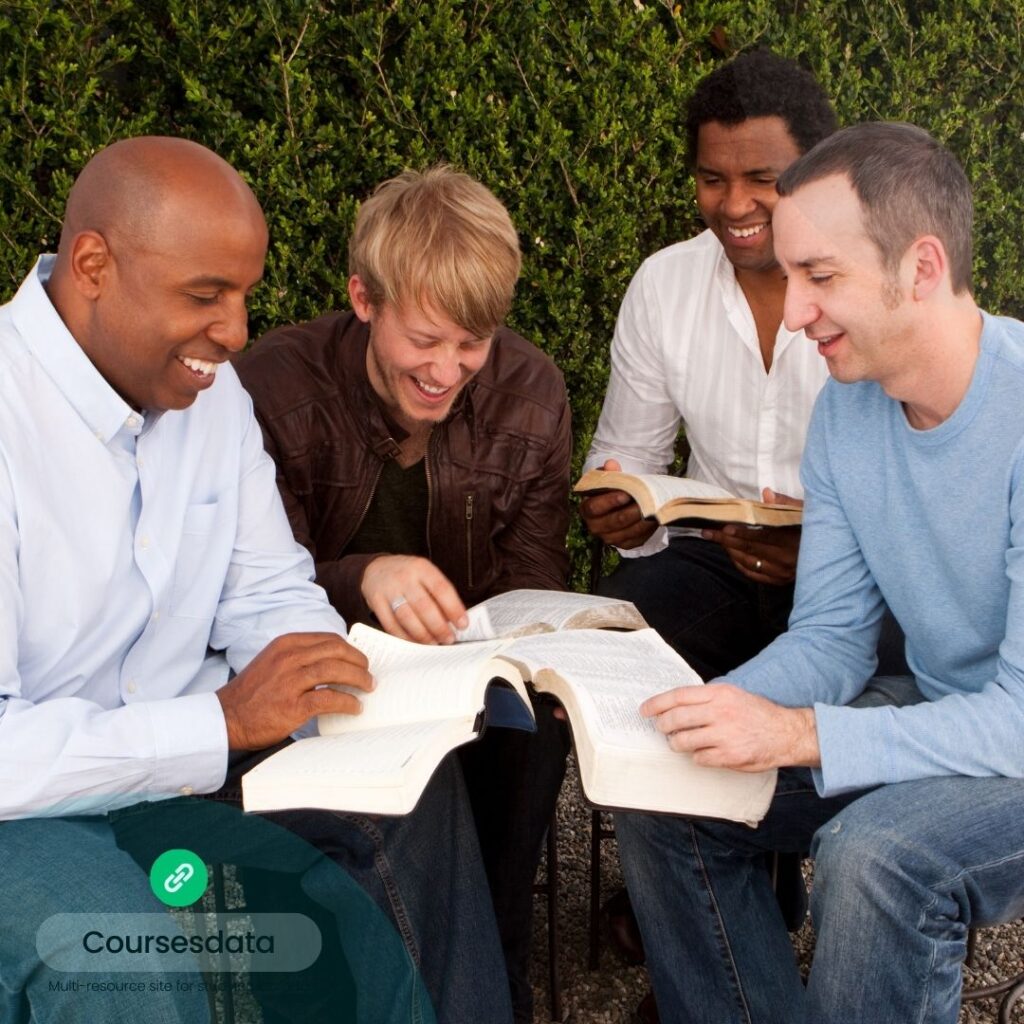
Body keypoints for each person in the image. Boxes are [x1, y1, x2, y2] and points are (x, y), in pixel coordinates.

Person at [0, 137, 510, 1024]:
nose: (235, 333)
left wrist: (350, 687)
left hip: (178, 780)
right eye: (205, 296)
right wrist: (227, 719)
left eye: (243, 296)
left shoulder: (213, 398)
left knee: (416, 789)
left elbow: (268, 592)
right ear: (92, 265)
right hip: (29, 813)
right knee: (122, 961)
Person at [616, 121, 1024, 1024]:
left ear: (920, 268)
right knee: (668, 791)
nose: (794, 312)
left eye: (820, 276)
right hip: (943, 710)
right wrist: (715, 711)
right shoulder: (849, 411)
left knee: (874, 855)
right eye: (792, 276)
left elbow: (1020, 721)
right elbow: (835, 637)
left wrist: (800, 735)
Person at [237, 165, 572, 1022]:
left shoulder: (530, 394)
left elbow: (533, 584)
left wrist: (512, 657)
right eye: (426, 338)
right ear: (363, 297)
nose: (449, 369)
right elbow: (237, 586)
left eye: (474, 343)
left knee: (533, 735)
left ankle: (497, 970)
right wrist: (363, 577)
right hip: (318, 676)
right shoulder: (273, 388)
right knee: (412, 781)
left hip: (461, 676)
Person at [580, 49, 837, 680]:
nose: (734, 205)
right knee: (585, 655)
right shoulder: (665, 283)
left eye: (762, 178)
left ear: (817, 173)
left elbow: (919, 501)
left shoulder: (864, 285)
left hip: (847, 579)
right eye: (712, 179)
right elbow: (624, 454)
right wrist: (619, 509)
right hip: (712, 563)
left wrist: (822, 552)